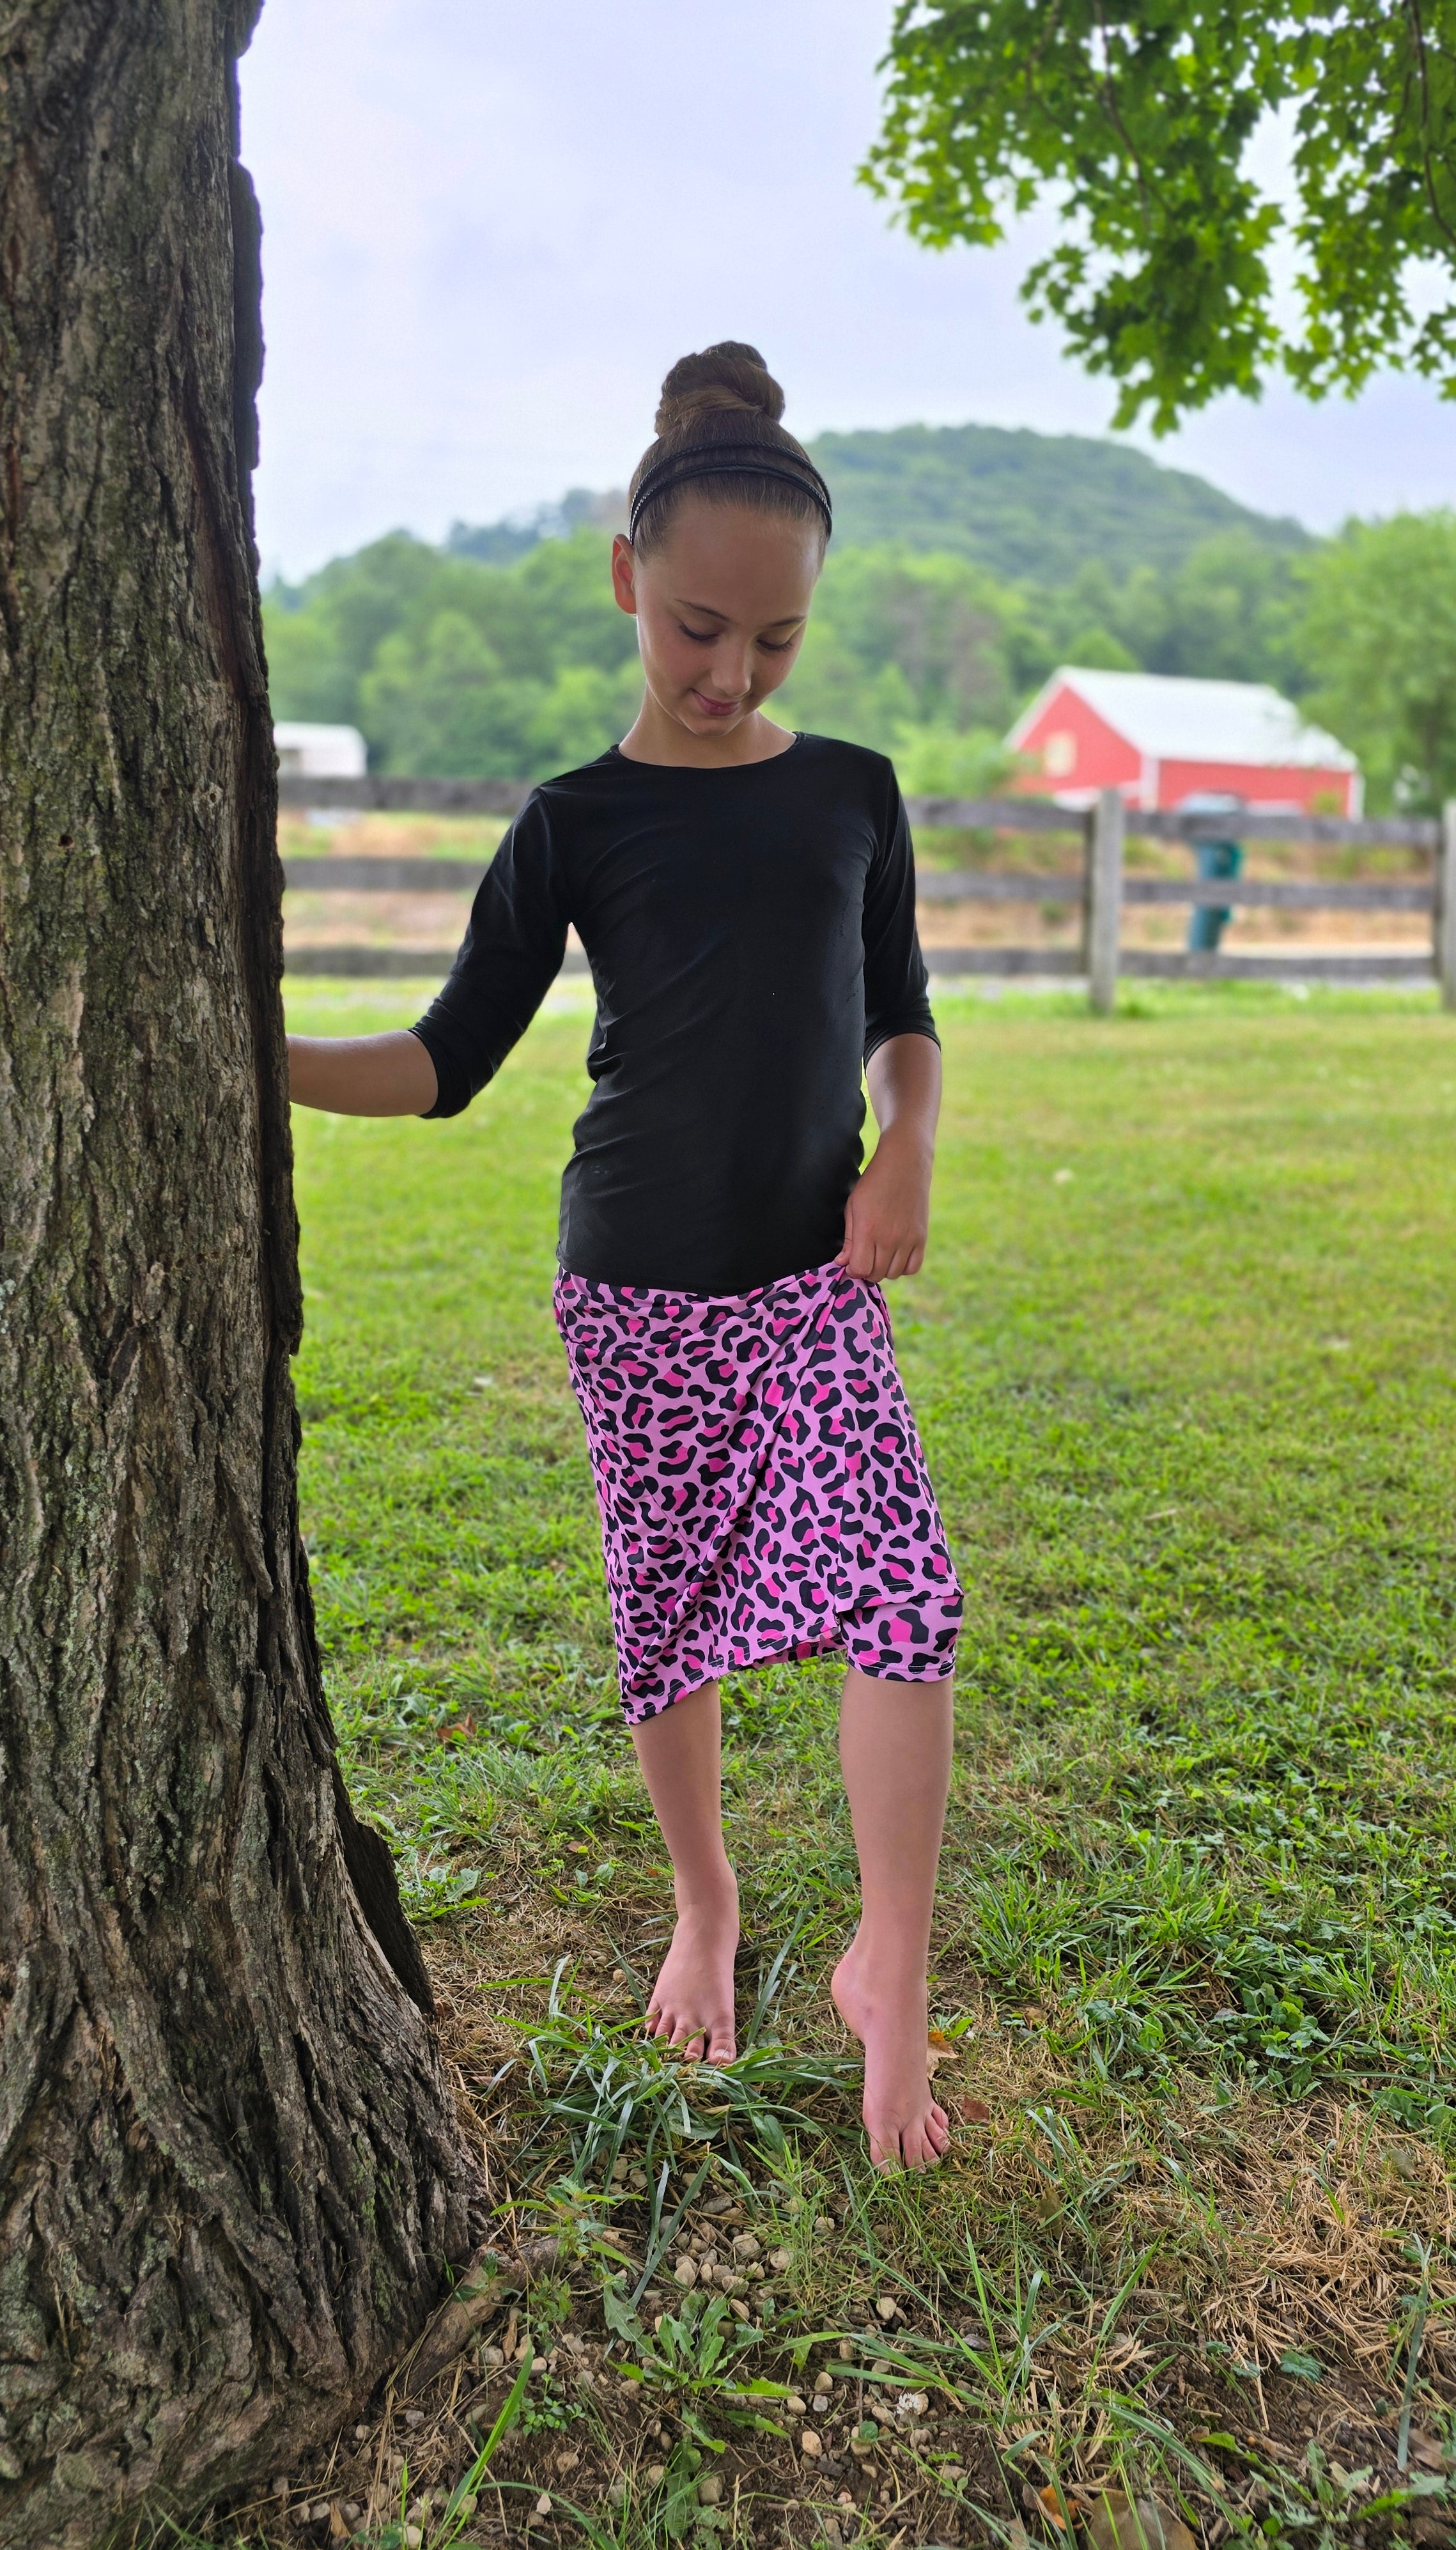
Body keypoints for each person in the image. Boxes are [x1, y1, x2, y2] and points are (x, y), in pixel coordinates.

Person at [288, 343, 963, 2170]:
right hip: (638, 1285)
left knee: (902, 1593)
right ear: (625, 582)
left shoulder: (854, 792)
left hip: (813, 1285)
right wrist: (248, 1051)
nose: (732, 673)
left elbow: (900, 1010)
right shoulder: (575, 822)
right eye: (695, 629)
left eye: (775, 643)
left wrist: (908, 1145)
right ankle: (711, 1907)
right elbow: (445, 1062)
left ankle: (887, 1964)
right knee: (671, 1622)